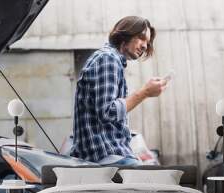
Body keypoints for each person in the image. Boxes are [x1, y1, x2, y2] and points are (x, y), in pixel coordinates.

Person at [70, 16, 167, 166]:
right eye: (141, 38)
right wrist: (144, 92)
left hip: (110, 154)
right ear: (125, 34)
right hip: (105, 155)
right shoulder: (108, 58)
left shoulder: (110, 60)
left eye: (147, 43)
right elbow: (107, 111)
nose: (145, 46)